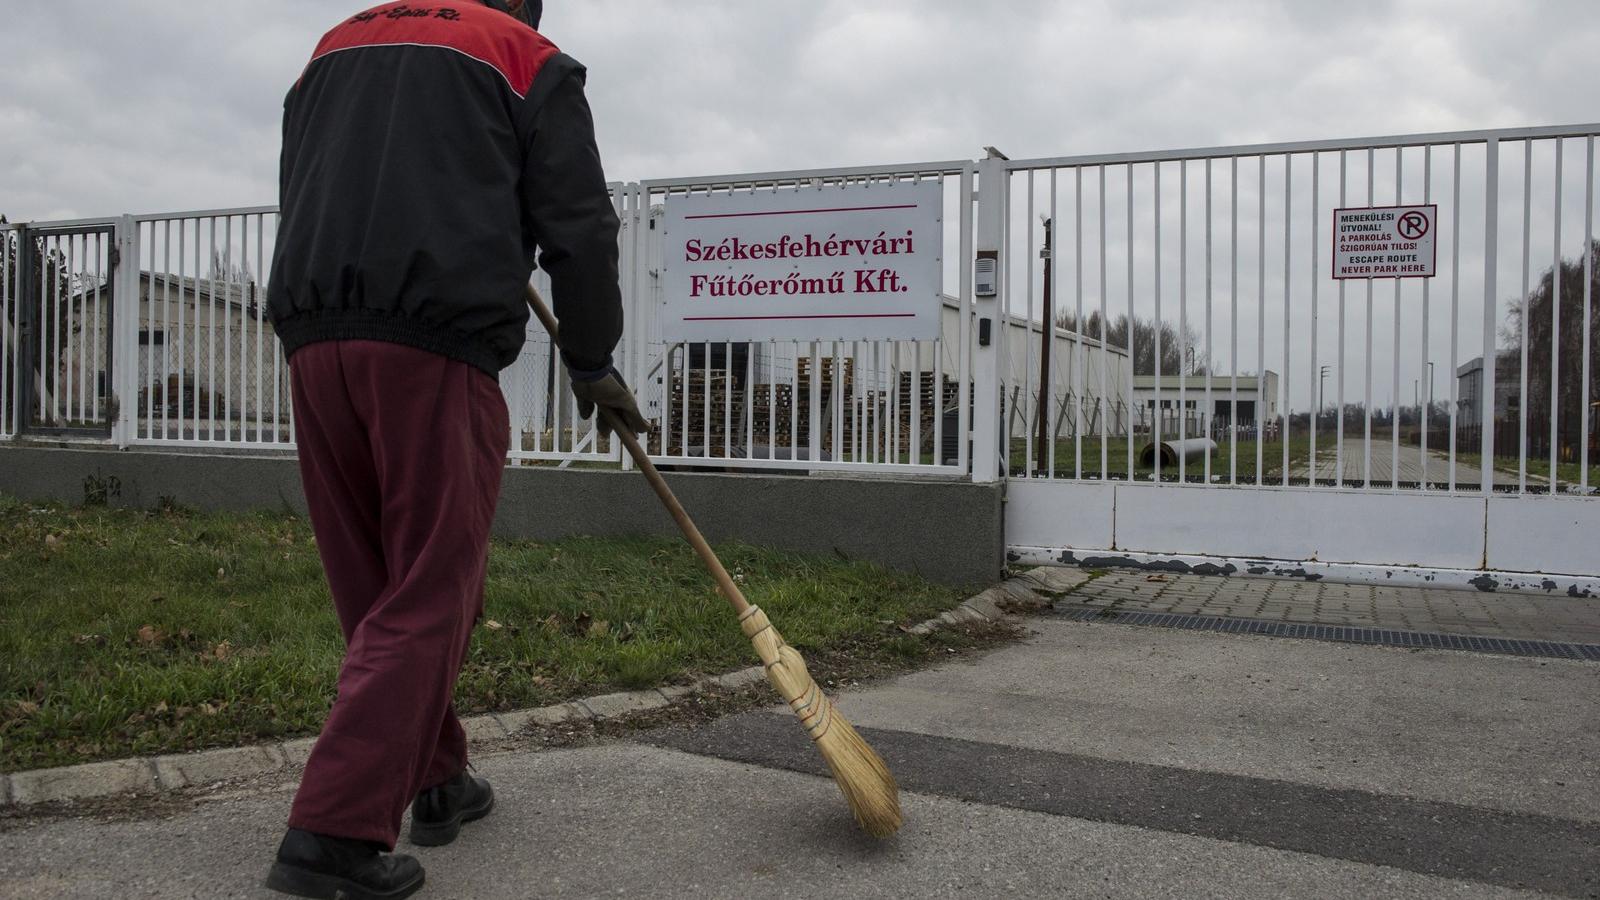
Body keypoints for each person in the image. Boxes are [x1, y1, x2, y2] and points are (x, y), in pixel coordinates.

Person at [263, 1, 647, 897]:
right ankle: (331, 835)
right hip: (432, 347)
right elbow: (582, 230)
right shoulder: (524, 56)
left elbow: (315, 180)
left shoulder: (333, 48)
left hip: (315, 338)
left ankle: (436, 778)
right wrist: (592, 359)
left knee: (377, 589)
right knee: (435, 588)